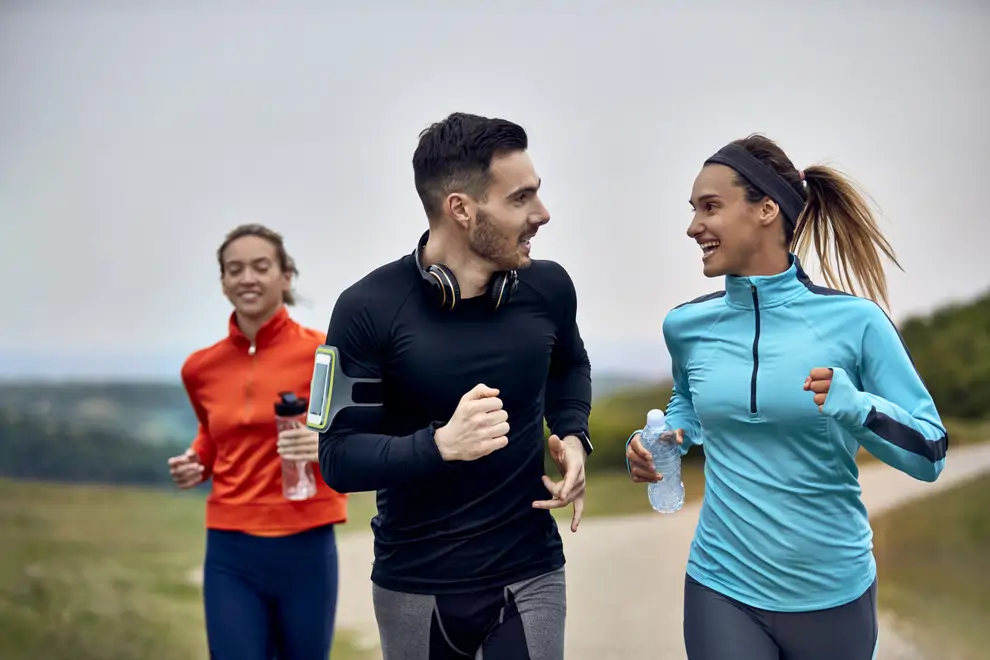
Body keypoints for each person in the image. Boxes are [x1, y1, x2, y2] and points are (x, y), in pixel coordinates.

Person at [625, 134, 949, 660]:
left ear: (766, 210)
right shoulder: (686, 326)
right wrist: (659, 439)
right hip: (722, 583)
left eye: (710, 207)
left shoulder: (857, 323)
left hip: (833, 593)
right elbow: (687, 403)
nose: (693, 227)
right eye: (692, 210)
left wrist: (858, 407)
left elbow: (930, 453)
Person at [317, 112, 593, 660]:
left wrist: (574, 435)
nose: (542, 214)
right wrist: (440, 445)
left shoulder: (549, 287)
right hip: (417, 587)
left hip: (531, 573)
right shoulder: (365, 309)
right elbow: (338, 457)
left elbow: (569, 367)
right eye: (521, 199)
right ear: (462, 209)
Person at [167, 224, 348, 660]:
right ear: (224, 282)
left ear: (286, 276)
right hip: (231, 548)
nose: (247, 277)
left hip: (306, 541)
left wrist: (322, 445)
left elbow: (351, 437)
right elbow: (212, 434)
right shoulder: (199, 368)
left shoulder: (324, 354)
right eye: (235, 269)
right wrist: (198, 461)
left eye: (260, 267)